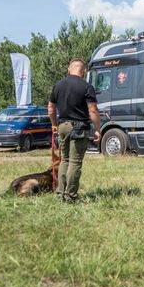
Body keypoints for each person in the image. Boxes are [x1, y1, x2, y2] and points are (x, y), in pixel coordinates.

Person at [48, 58, 101, 203]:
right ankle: (70, 196)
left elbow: (51, 108)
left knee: (64, 160)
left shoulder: (58, 85)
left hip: (62, 126)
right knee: (75, 162)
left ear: (69, 69)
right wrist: (98, 129)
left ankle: (60, 193)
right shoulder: (86, 86)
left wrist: (54, 125)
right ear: (84, 71)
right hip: (79, 128)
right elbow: (93, 110)